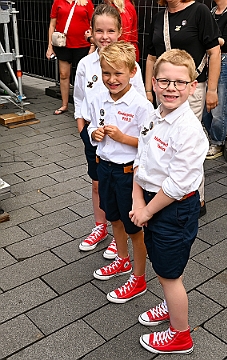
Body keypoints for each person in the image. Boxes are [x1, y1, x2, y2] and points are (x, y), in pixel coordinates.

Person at [129, 49, 209, 353]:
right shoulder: (154, 113)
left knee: (169, 274)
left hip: (173, 209)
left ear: (192, 87)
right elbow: (142, 158)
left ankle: (180, 335)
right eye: (164, 81)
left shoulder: (189, 131)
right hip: (152, 202)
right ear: (152, 81)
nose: (171, 88)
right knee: (168, 266)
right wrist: (138, 199)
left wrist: (147, 210)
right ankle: (169, 304)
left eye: (179, 82)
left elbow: (177, 185)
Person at [74, 4, 146, 260]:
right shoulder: (85, 64)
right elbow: (80, 99)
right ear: (91, 32)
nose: (104, 36)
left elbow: (138, 100)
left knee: (121, 189)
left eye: (110, 31)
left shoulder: (129, 63)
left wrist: (125, 136)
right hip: (94, 134)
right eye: (99, 31)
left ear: (120, 32)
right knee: (97, 183)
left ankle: (121, 238)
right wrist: (84, 129)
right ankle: (100, 227)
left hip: (122, 141)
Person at [87, 41, 154, 303]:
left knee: (134, 227)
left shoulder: (141, 105)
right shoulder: (99, 98)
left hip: (128, 174)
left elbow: (148, 144)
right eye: (106, 73)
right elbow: (93, 124)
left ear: (132, 73)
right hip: (105, 168)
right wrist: (94, 132)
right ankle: (122, 260)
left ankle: (139, 278)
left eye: (118, 73)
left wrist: (124, 138)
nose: (112, 79)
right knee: (113, 216)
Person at [144, 0, 221, 217]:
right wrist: (148, 90)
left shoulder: (200, 11)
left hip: (191, 90)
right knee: (166, 141)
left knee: (186, 142)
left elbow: (214, 52)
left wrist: (212, 89)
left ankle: (196, 198)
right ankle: (167, 192)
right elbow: (151, 57)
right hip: (164, 90)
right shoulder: (159, 18)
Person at [202, 0, 227, 159]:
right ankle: (210, 139)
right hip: (208, 60)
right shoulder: (211, 12)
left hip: (224, 62)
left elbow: (226, 43)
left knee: (220, 108)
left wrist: (205, 34)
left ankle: (218, 142)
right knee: (206, 107)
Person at [46, 0, 94, 115]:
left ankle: (84, 107)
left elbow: (93, 24)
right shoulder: (58, 1)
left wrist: (92, 44)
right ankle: (64, 104)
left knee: (83, 77)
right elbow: (52, 24)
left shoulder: (86, 2)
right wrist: (50, 46)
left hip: (83, 45)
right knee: (63, 75)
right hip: (63, 44)